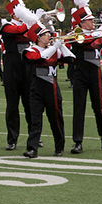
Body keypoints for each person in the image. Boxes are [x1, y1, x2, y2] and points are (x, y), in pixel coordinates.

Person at [66, 0, 102, 153]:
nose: (93, 23)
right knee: (79, 107)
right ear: (82, 23)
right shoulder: (76, 34)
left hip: (95, 74)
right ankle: (78, 142)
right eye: (90, 21)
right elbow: (81, 44)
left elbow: (98, 42)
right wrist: (93, 36)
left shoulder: (97, 33)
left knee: (99, 106)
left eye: (93, 20)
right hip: (80, 74)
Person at [22, 22, 74, 157]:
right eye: (46, 34)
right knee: (35, 120)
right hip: (36, 88)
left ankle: (59, 146)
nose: (49, 36)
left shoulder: (54, 50)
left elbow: (71, 58)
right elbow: (39, 58)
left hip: (52, 87)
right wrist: (55, 47)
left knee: (56, 118)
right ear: (38, 38)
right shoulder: (30, 50)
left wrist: (60, 45)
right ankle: (32, 148)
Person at [0, 0, 32, 151]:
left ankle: (34, 135)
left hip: (27, 67)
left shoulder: (28, 25)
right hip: (11, 68)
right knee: (12, 105)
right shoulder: (6, 25)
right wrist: (32, 21)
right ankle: (12, 138)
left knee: (30, 103)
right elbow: (18, 30)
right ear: (13, 13)